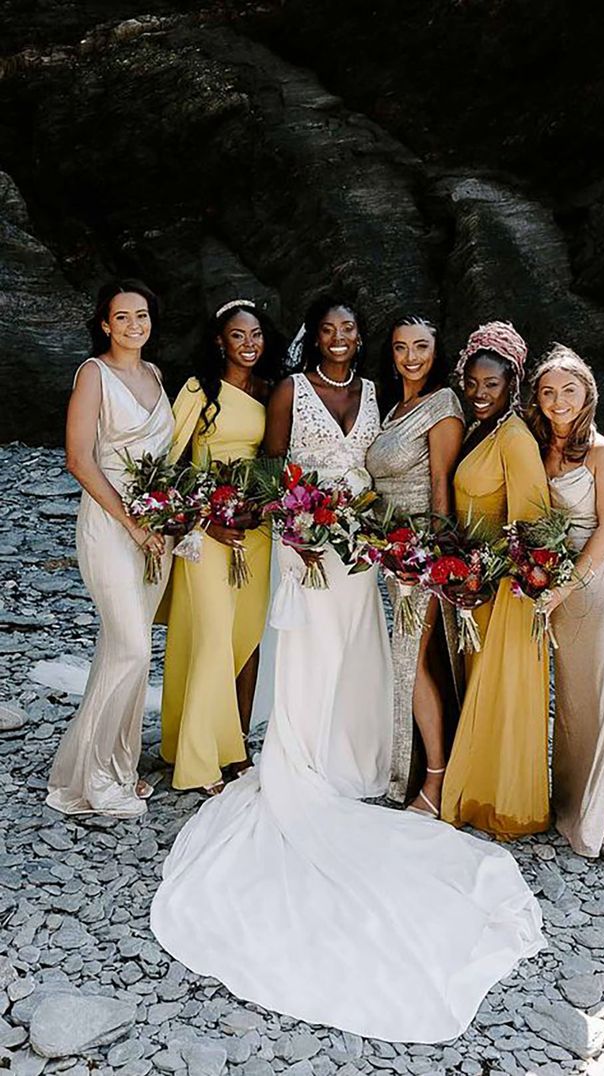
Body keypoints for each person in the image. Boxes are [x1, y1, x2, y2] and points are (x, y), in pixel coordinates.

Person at [150, 297, 544, 1044]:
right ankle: (306, 756)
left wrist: (421, 552)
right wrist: (290, 525)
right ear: (316, 336)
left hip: (373, 554)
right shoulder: (297, 389)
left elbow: (422, 483)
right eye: (329, 329)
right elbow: (271, 466)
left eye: (353, 330)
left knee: (374, 662)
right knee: (310, 654)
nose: (342, 339)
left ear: (365, 339)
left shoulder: (382, 396)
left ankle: (377, 762)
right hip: (310, 548)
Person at [47, 280, 173, 818]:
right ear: (105, 324)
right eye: (122, 317)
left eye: (141, 316)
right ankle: (91, 781)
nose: (133, 325)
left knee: (126, 650)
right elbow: (79, 459)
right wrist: (132, 523)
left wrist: (169, 519)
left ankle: (117, 763)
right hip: (109, 525)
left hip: (157, 530)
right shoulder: (93, 375)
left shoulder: (155, 375)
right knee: (133, 648)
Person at [526, 344, 604, 862]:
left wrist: (566, 586)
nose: (558, 401)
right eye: (548, 392)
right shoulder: (535, 448)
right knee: (576, 701)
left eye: (568, 391)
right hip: (562, 587)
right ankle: (577, 798)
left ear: (587, 394)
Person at [160, 298, 285, 794]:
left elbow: (273, 460)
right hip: (205, 531)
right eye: (238, 336)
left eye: (256, 335)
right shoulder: (198, 390)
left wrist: (261, 505)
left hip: (254, 530)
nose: (249, 344)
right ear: (219, 341)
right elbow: (170, 466)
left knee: (244, 635)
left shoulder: (268, 390)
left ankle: (230, 744)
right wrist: (204, 517)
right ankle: (198, 762)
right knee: (210, 635)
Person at [441, 322, 551, 838]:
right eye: (473, 383)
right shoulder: (474, 429)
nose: (480, 394)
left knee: (497, 691)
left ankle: (496, 798)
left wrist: (485, 574)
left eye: (492, 385)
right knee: (473, 686)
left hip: (503, 591)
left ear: (512, 386)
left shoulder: (515, 439)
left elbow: (532, 531)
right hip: (472, 586)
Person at [366, 315, 464, 813]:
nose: (411, 357)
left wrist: (434, 557)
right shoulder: (394, 407)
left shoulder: (442, 405)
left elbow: (442, 485)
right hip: (390, 550)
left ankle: (435, 781)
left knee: (410, 663)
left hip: (419, 555)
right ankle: (403, 769)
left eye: (421, 346)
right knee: (407, 662)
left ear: (435, 349)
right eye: (401, 347)